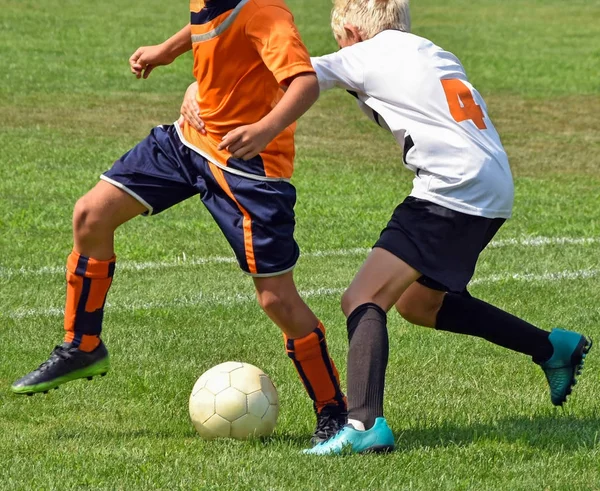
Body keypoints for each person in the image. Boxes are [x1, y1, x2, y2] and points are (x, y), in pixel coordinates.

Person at [11, 0, 347, 445]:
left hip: (248, 168)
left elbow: (303, 82)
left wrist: (264, 129)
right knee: (91, 215)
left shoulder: (266, 13)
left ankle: (334, 412)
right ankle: (83, 346)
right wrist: (167, 50)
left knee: (277, 301)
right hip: (187, 142)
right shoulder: (208, 2)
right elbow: (205, 27)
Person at [297, 0, 592, 455]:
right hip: (492, 184)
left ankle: (362, 424)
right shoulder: (432, 51)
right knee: (419, 303)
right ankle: (553, 348)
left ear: (352, 32)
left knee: (363, 297)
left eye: (340, 41)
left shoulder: (363, 53)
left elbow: (294, 75)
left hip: (452, 186)